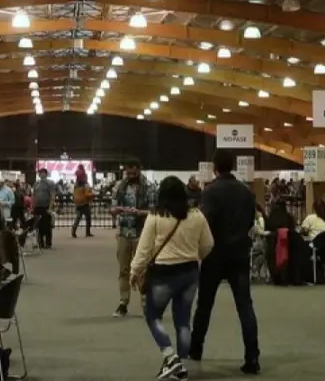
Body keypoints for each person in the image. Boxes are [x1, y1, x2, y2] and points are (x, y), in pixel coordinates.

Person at [130, 176, 214, 380]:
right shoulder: (197, 216)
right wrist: (196, 255)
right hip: (190, 273)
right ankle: (181, 366)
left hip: (163, 274)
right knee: (183, 321)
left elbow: (144, 250)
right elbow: (208, 244)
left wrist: (134, 271)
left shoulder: (156, 216)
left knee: (152, 316)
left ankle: (170, 355)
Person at [189, 152, 260, 375]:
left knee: (204, 305)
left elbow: (205, 222)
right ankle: (252, 357)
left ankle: (196, 349)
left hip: (215, 255)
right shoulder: (246, 191)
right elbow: (250, 220)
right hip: (239, 254)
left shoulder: (210, 191)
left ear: (214, 168)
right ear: (232, 166)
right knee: (245, 307)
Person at [111, 159, 155, 317]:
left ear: (139, 170)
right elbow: (112, 208)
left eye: (133, 173)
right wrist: (116, 210)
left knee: (141, 270)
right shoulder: (119, 186)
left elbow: (154, 212)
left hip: (141, 233)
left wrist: (139, 212)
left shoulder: (149, 187)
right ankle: (123, 303)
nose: (130, 175)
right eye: (128, 173)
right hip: (123, 233)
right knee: (123, 270)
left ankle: (145, 303)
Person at [32, 168, 54, 248]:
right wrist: (32, 206)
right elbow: (33, 195)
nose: (40, 174)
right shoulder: (36, 183)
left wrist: (50, 207)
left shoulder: (50, 183)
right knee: (38, 226)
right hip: (37, 207)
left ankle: (48, 243)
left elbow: (52, 195)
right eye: (39, 173)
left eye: (42, 173)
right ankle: (40, 243)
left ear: (46, 174)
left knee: (47, 226)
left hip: (46, 207)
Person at [71, 173, 94, 238]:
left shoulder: (76, 185)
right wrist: (92, 193)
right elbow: (87, 194)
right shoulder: (85, 185)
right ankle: (87, 232)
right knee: (88, 218)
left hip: (78, 204)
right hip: (84, 204)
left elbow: (74, 194)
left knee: (78, 218)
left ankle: (73, 231)